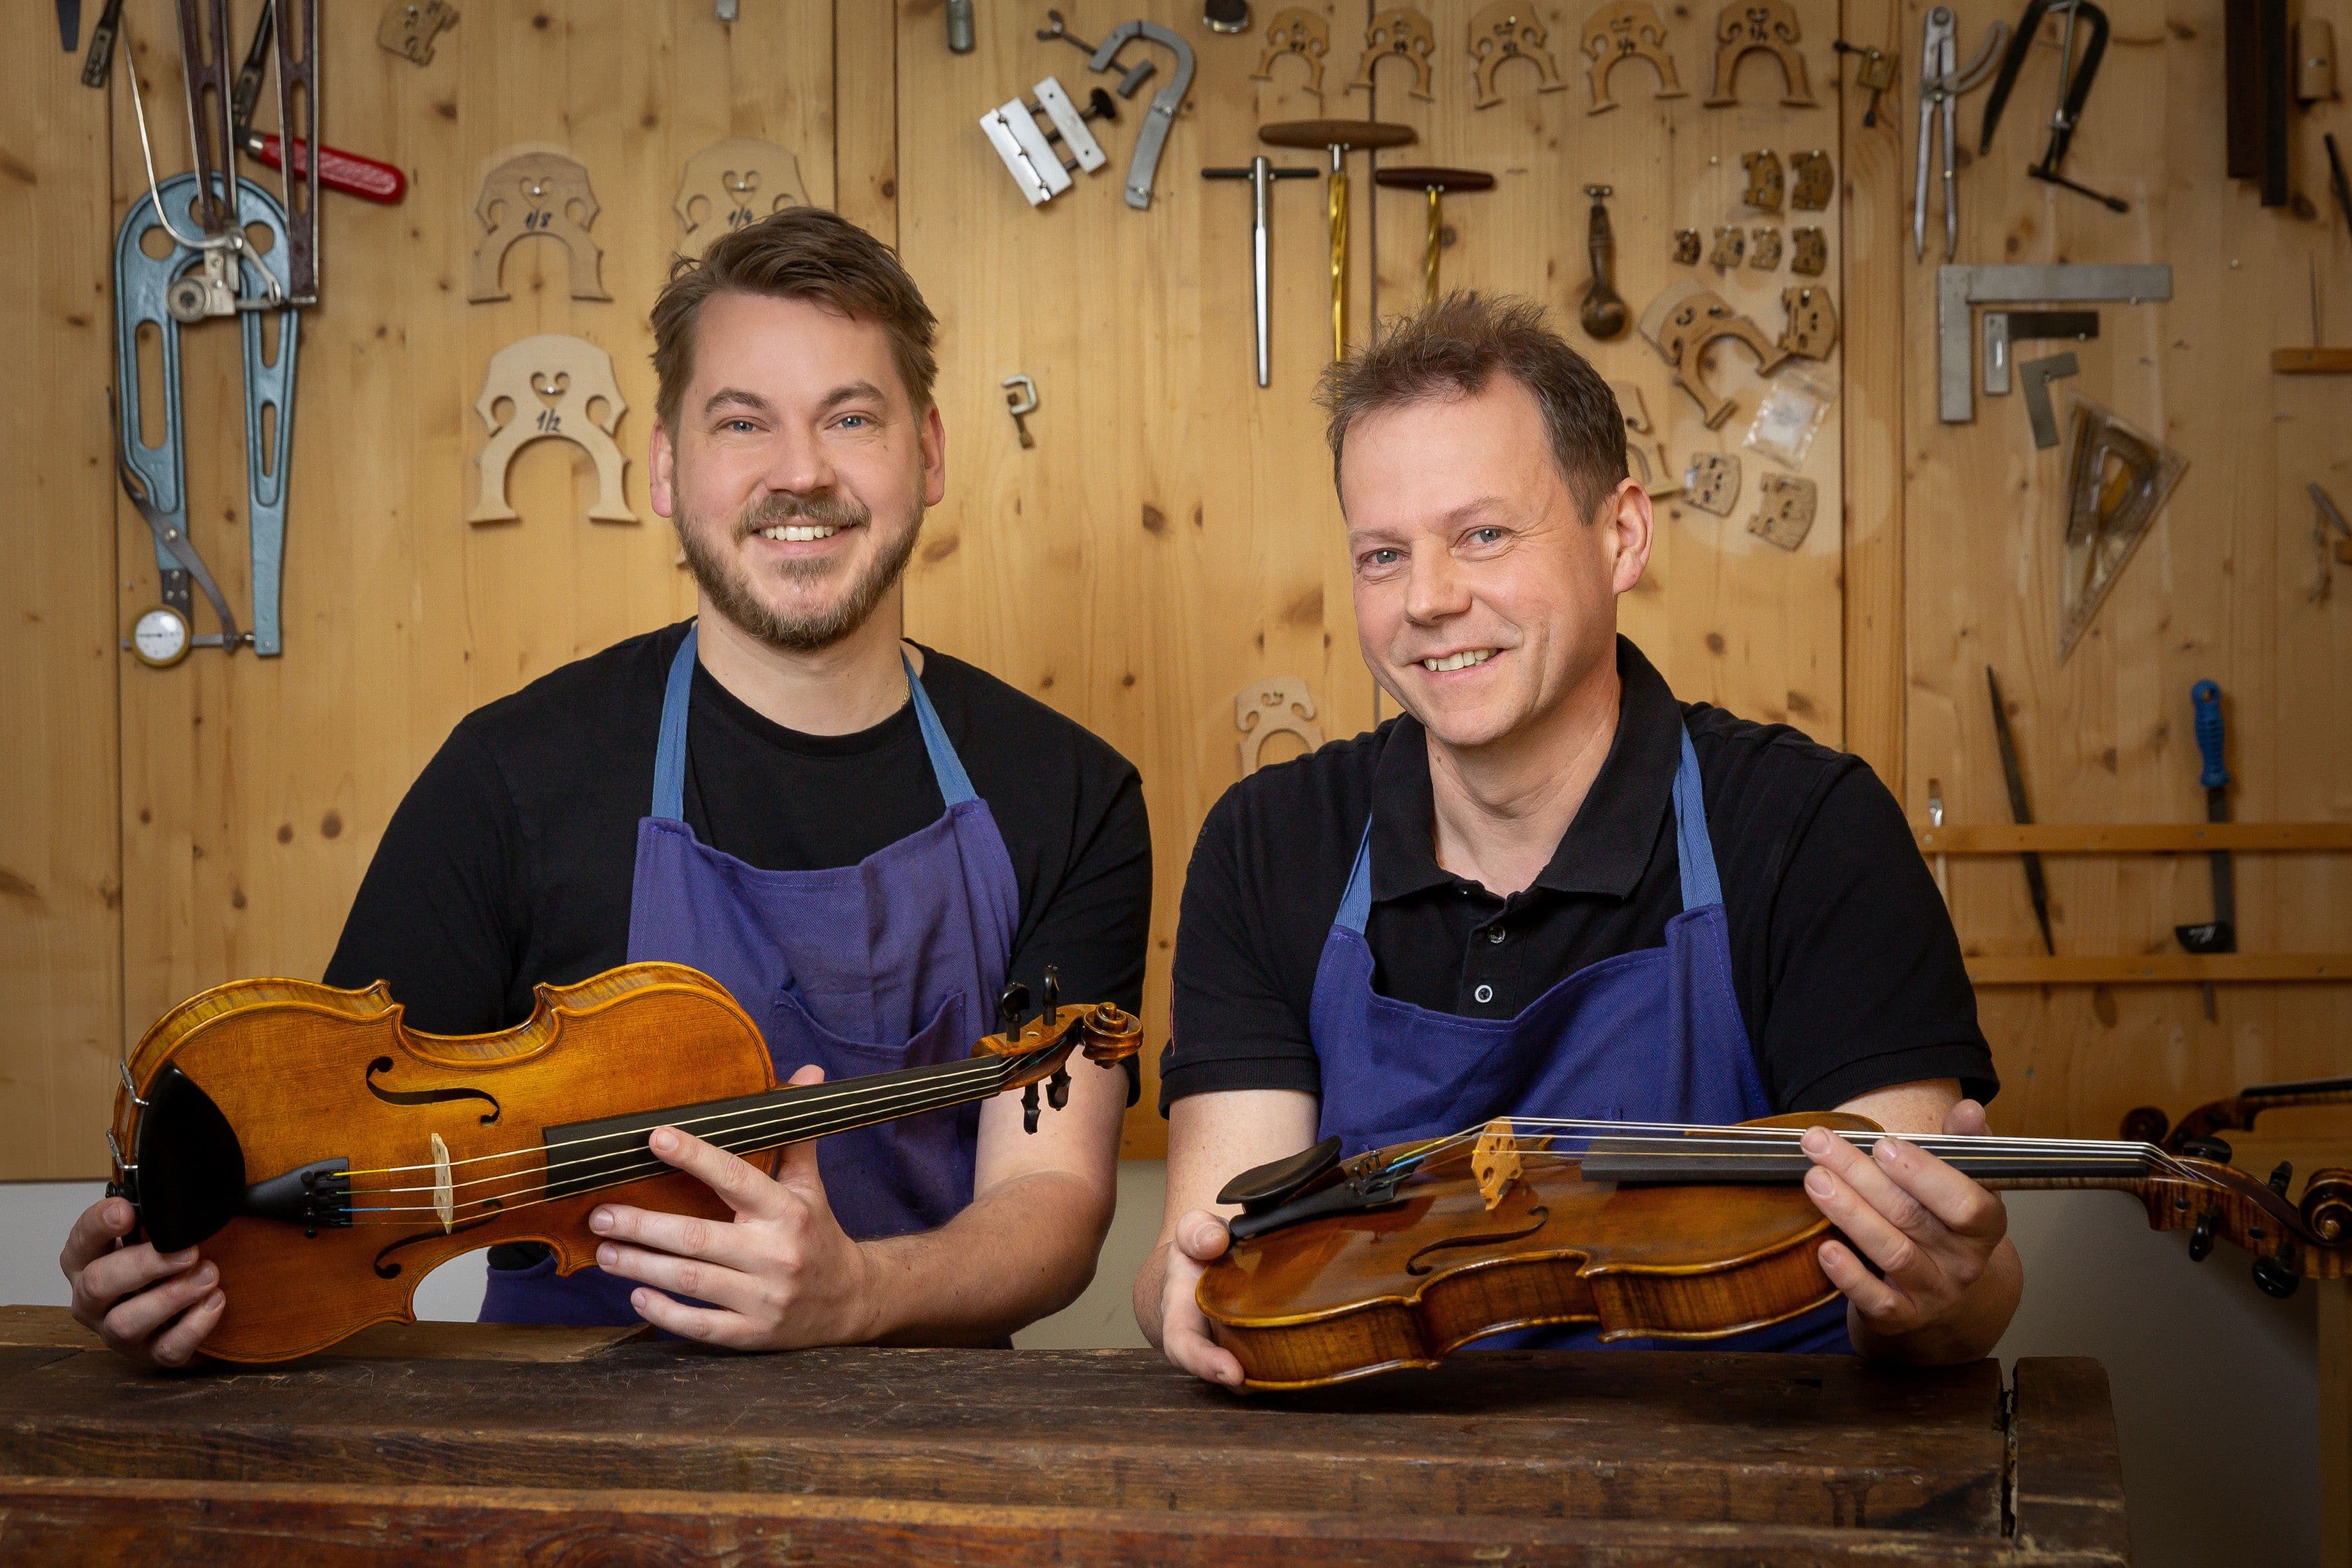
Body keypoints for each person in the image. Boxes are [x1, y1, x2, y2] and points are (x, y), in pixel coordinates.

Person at [65, 207, 1152, 1366]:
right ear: (667, 467)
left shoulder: (1067, 792)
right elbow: (326, 1148)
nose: (801, 472)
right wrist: (182, 1267)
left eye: (850, 416)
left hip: (929, 1444)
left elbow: (1050, 1200)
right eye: (743, 422)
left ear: (927, 452)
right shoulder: (509, 777)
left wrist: (859, 1294)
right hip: (554, 1437)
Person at [1138, 295, 2021, 1384]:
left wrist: (1932, 1293)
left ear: (1623, 536)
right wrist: (1184, 1292)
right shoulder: (1270, 842)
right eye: (1382, 554)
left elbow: (1955, 1293)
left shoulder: (1806, 827)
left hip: (1755, 1465)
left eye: (1484, 534)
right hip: (1381, 1468)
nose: (1427, 598)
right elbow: (1216, 1247)